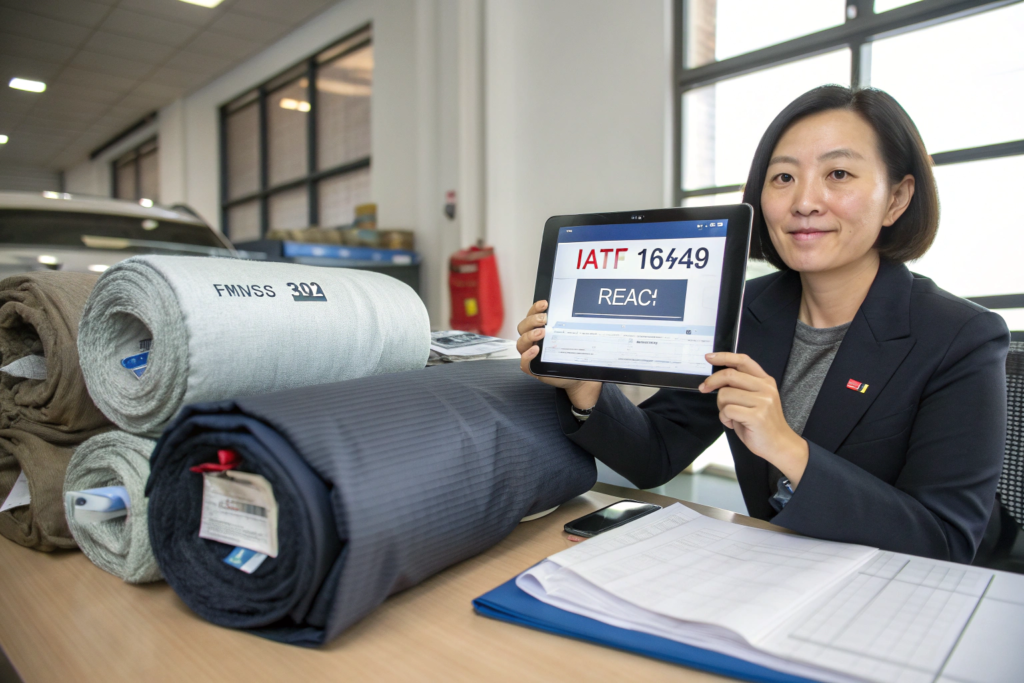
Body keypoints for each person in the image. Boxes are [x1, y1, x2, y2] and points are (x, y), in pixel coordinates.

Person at [516, 85, 1009, 564]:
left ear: (897, 199)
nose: (804, 201)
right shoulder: (746, 310)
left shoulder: (962, 337)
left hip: (904, 590)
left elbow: (944, 542)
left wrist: (787, 447)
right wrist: (584, 388)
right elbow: (656, 455)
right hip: (777, 566)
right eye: (783, 177)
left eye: (838, 173)